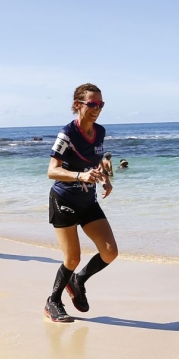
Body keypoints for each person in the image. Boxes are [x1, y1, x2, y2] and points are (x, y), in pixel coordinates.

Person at [43, 83, 119, 323]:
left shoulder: (100, 131)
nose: (97, 109)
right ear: (78, 105)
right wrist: (79, 176)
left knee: (110, 252)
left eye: (101, 104)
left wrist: (105, 179)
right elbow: (52, 171)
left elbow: (96, 163)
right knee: (72, 259)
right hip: (64, 200)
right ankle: (53, 301)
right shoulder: (67, 134)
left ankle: (78, 281)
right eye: (92, 104)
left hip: (88, 201)